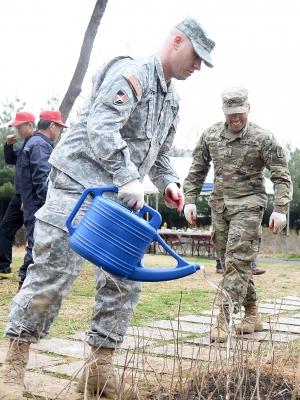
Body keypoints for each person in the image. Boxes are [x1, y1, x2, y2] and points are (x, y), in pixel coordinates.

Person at [0, 16, 215, 399]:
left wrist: (168, 182)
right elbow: (101, 124)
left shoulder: (172, 99)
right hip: (77, 186)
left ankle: (99, 370)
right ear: (177, 41)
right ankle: (13, 368)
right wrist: (126, 174)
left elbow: (160, 152)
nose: (197, 67)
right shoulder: (132, 74)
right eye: (196, 57)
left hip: (120, 197)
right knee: (52, 273)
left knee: (123, 280)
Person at [183, 87, 292, 343]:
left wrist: (280, 208)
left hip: (249, 206)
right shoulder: (211, 135)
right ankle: (252, 314)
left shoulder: (262, 138)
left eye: (240, 113)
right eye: (230, 114)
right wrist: (189, 199)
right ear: (223, 111)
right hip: (220, 207)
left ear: (248, 109)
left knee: (236, 261)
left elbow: (281, 175)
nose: (235, 119)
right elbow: (197, 169)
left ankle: (223, 319)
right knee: (232, 264)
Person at [16, 110, 68, 292]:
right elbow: (42, 178)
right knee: (37, 245)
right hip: (39, 205)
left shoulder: (34, 142)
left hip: (32, 203)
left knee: (36, 245)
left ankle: (29, 285)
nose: (60, 131)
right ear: (52, 125)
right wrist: (51, 205)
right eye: (59, 127)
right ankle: (24, 286)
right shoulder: (40, 144)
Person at [0, 112, 35, 280]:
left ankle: (32, 269)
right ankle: (3, 267)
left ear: (30, 125)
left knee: (34, 233)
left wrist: (27, 198)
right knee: (5, 228)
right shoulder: (23, 144)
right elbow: (11, 160)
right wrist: (8, 146)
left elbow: (38, 174)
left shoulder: (36, 144)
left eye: (20, 127)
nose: (18, 130)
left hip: (29, 197)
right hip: (19, 196)